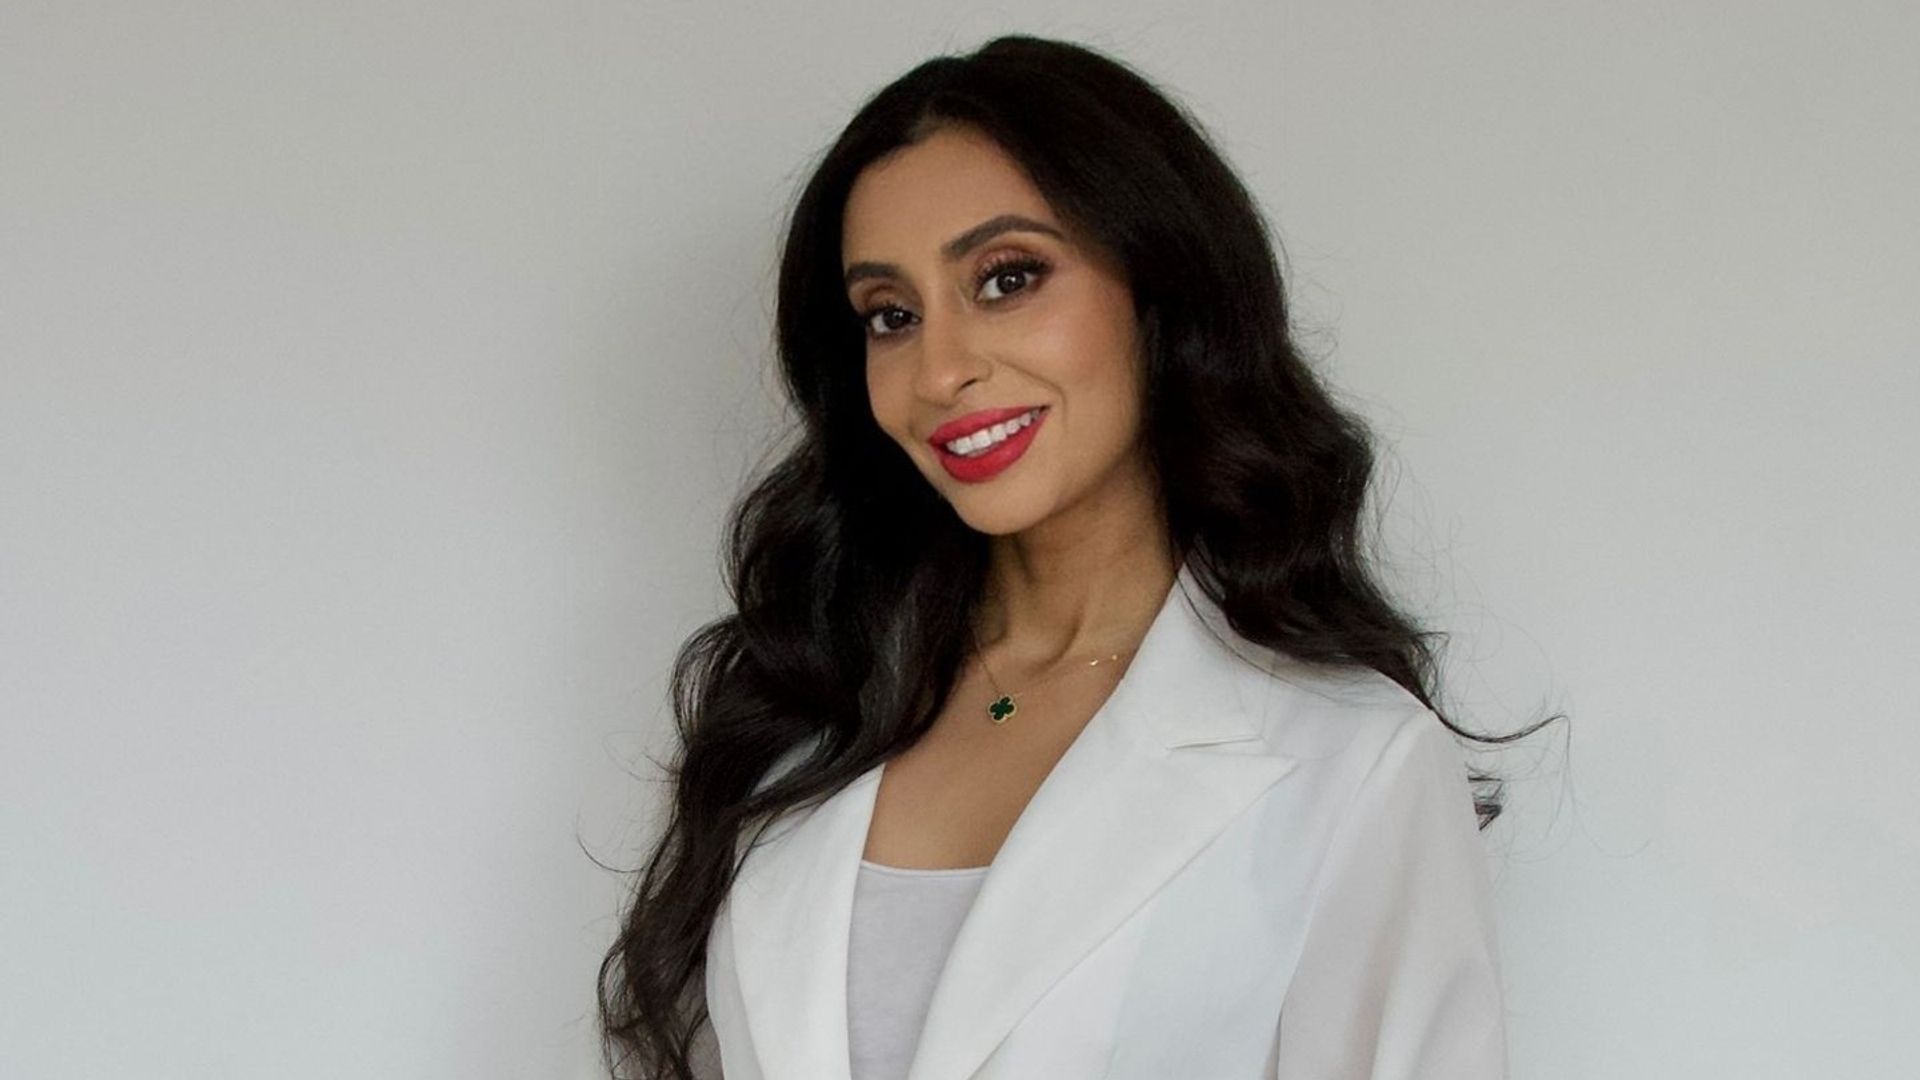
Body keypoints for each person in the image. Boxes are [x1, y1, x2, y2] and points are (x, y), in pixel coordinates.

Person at [599, 33, 1555, 1080]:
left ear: (1159, 294)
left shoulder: (1349, 763)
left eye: (1007, 279)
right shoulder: (803, 723)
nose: (942, 369)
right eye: (891, 315)